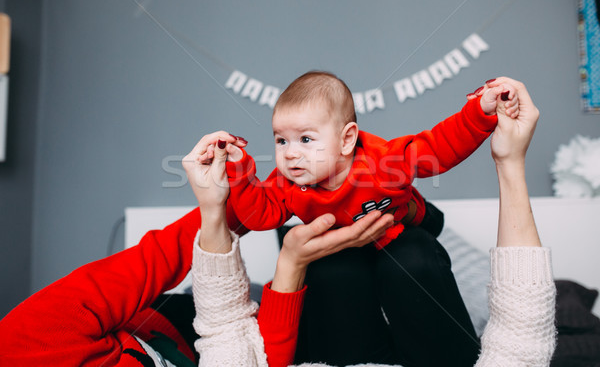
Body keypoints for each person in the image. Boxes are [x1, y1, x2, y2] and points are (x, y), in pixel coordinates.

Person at [193, 76, 556, 367]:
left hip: (398, 221)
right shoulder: (288, 183)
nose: (291, 153)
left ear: (347, 139)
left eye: (305, 139)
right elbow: (261, 214)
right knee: (335, 269)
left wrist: (480, 113)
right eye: (280, 140)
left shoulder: (382, 163)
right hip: (343, 245)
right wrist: (239, 170)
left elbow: (438, 147)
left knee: (414, 249)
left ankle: (425, 218)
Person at [0, 134, 393, 365]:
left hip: (177, 318)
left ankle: (409, 209)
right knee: (343, 278)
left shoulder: (26, 339)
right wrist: (292, 261)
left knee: (346, 269)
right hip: (222, 338)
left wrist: (254, 204)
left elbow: (162, 256)